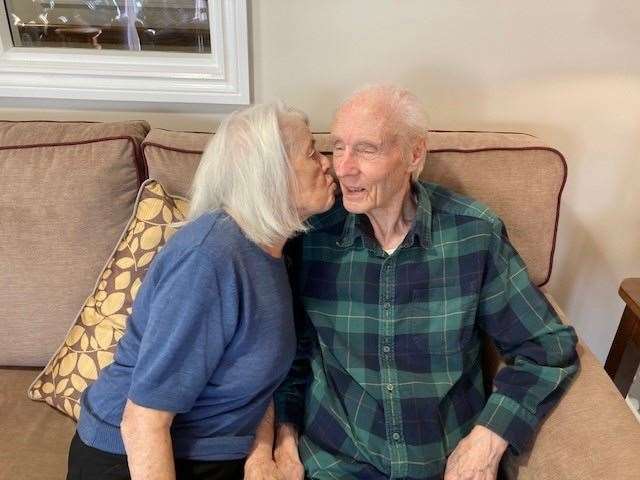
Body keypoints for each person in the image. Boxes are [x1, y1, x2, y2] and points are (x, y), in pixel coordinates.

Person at [250, 85, 580, 480]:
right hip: (337, 465)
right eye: (338, 147)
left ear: (414, 154)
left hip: (444, 466)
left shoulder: (472, 234)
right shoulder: (311, 236)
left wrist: (488, 438)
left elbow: (546, 347)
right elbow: (290, 358)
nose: (343, 167)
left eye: (366, 149)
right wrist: (283, 444)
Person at [66, 102, 336, 480]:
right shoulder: (208, 260)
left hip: (215, 450)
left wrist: (263, 452)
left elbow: (258, 383)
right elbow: (142, 422)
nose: (328, 163)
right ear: (271, 175)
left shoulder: (274, 249)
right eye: (311, 153)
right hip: (134, 459)